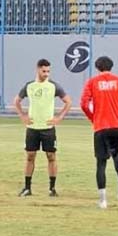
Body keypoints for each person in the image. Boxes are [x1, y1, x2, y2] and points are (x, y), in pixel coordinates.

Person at [79, 56, 118, 209]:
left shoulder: (92, 82)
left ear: (97, 68)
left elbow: (84, 104)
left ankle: (103, 200)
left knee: (101, 162)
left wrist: (93, 117)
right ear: (111, 67)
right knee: (116, 153)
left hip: (101, 126)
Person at [14, 59, 72, 197]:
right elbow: (16, 101)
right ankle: (27, 188)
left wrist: (59, 117)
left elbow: (68, 102)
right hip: (32, 128)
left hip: (48, 128)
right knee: (30, 156)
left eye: (48, 71)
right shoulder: (29, 86)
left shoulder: (53, 86)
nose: (46, 74)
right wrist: (22, 115)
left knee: (51, 156)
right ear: (38, 70)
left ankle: (52, 189)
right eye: (44, 71)